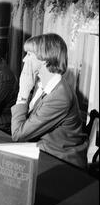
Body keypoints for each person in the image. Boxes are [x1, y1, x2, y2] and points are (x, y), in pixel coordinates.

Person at [11, 33, 88, 168]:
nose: (24, 60)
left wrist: (23, 93)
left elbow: (18, 135)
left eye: (29, 54)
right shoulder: (41, 84)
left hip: (62, 162)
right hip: (41, 150)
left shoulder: (60, 96)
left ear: (44, 59)